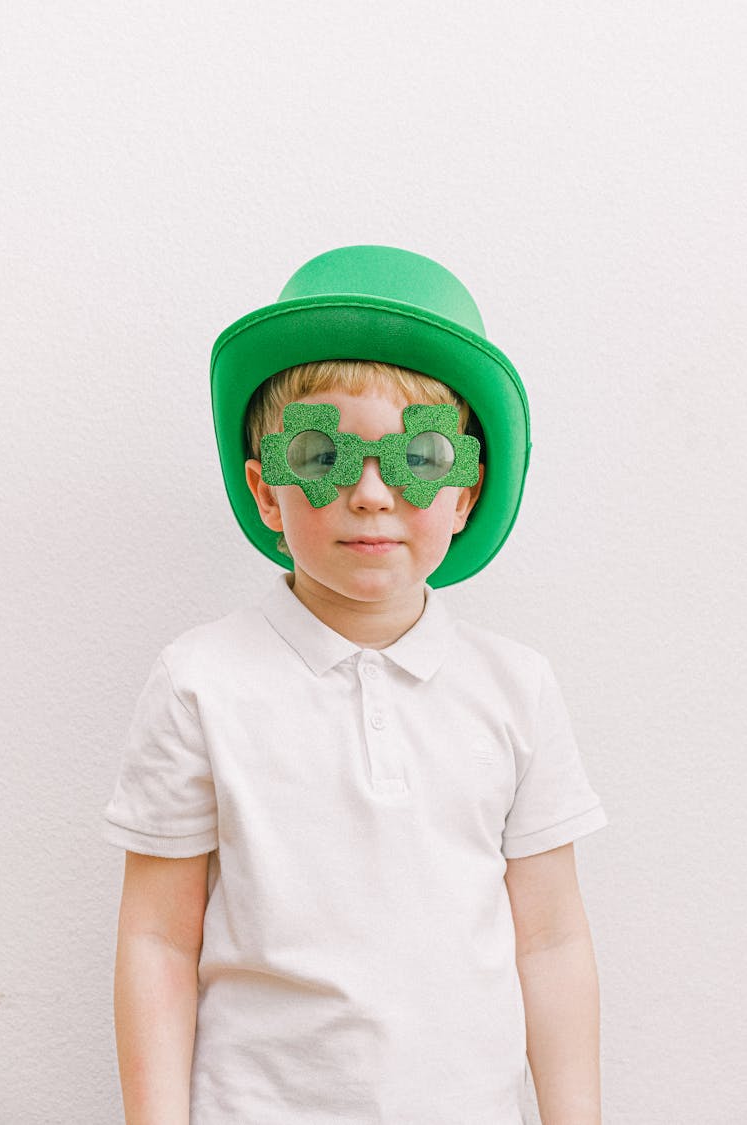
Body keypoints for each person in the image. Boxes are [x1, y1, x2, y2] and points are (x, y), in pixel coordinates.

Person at [104, 245, 608, 1125]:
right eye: (322, 452)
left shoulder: (515, 687)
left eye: (417, 456)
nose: (371, 493)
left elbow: (554, 939)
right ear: (267, 491)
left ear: (463, 491)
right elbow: (155, 937)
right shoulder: (201, 683)